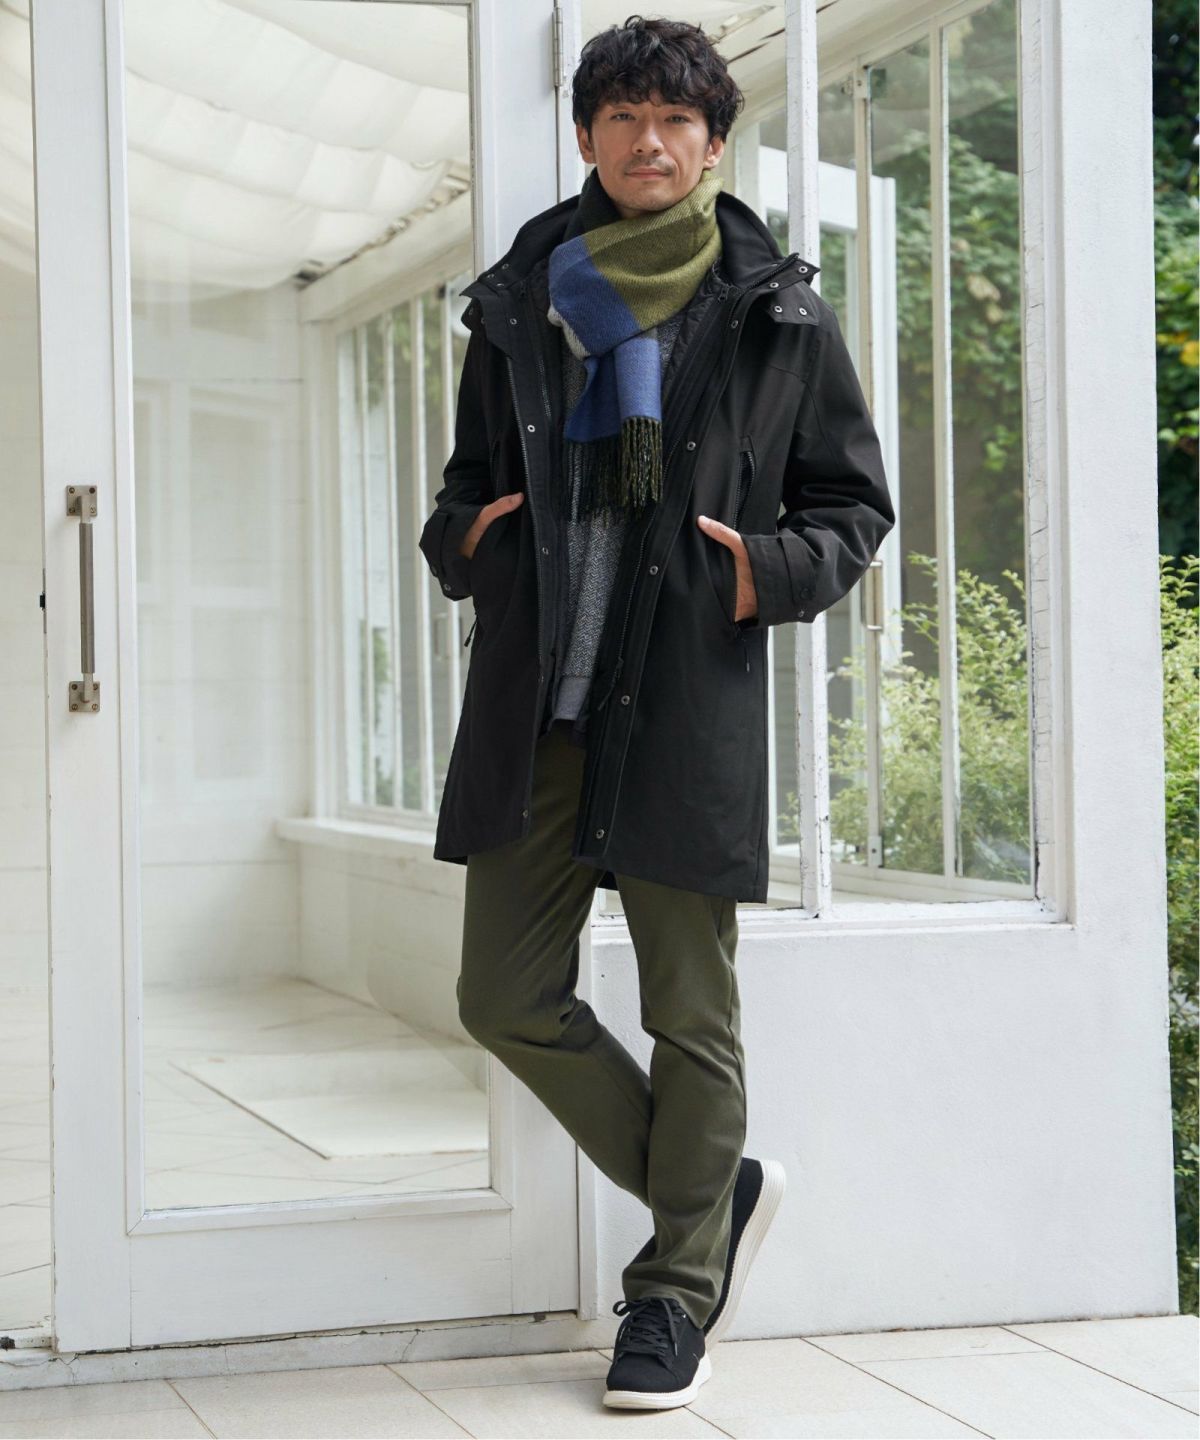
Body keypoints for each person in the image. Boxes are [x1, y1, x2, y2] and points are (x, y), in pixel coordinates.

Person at [418, 15, 894, 1413]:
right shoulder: (521, 301)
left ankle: (674, 1294)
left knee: (692, 1012)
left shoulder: (778, 315)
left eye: (676, 120)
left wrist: (761, 574)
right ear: (586, 136)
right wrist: (471, 542)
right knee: (503, 996)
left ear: (715, 144)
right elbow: (460, 492)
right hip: (540, 701)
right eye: (622, 117)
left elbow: (853, 506)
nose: (649, 141)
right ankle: (711, 1194)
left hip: (682, 694)